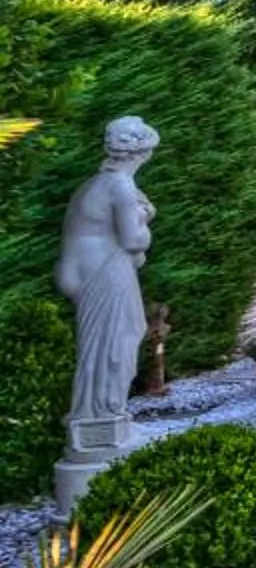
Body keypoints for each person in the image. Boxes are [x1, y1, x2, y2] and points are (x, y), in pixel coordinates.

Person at [56, 116, 159, 432]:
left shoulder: (94, 184)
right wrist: (145, 219)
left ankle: (95, 416)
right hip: (104, 271)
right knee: (118, 341)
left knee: (99, 347)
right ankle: (101, 417)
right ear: (141, 153)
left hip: (86, 270)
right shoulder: (121, 186)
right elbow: (132, 240)